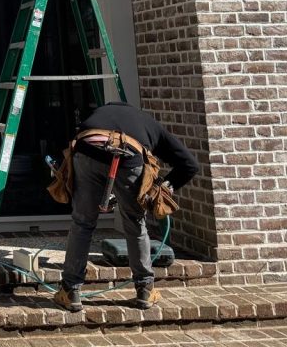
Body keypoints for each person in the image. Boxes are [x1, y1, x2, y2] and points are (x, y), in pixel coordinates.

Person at [52, 102, 198, 313]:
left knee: (82, 222)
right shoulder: (149, 124)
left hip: (86, 150)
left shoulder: (98, 113)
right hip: (129, 156)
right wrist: (162, 187)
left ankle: (70, 291)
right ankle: (145, 290)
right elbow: (190, 165)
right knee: (135, 223)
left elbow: (93, 154)